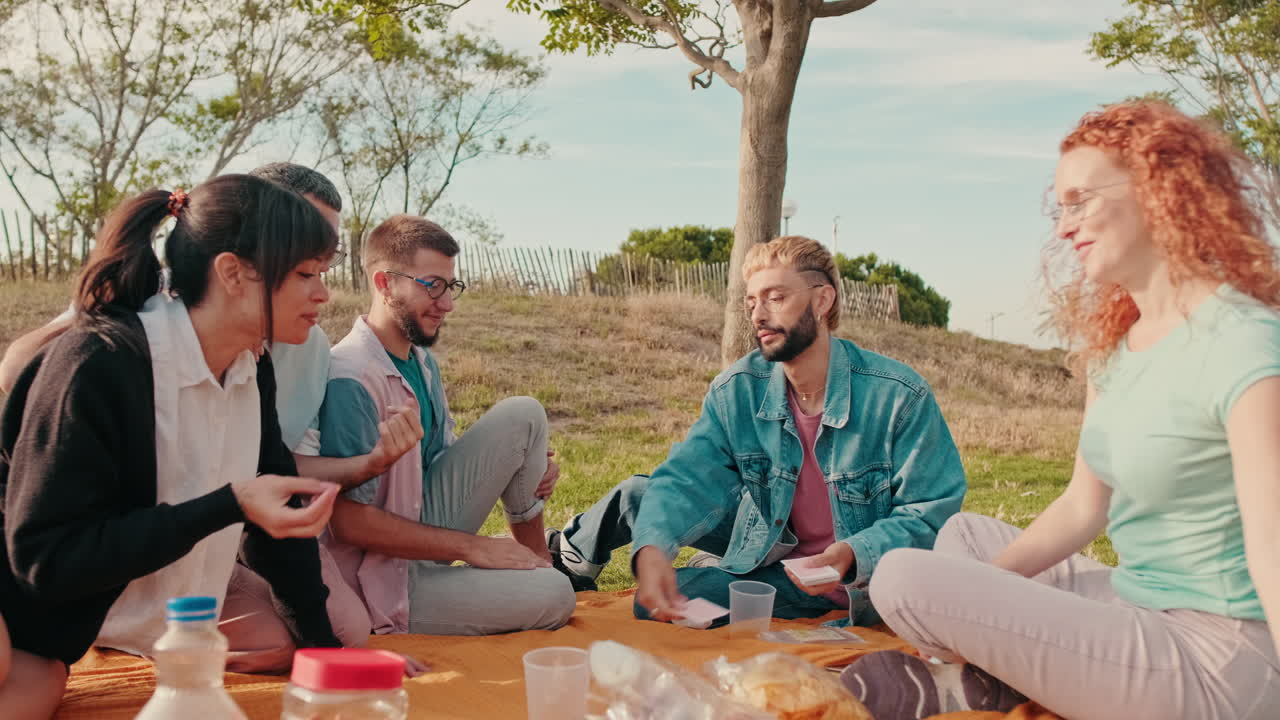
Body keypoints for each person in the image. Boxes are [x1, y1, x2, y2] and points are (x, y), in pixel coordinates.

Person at [843, 101, 1280, 720]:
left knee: (901, 577)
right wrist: (980, 601)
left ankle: (984, 681)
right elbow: (1082, 507)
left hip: (1218, 655)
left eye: (1081, 201)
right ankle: (1008, 675)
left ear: (1160, 188)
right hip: (1131, 606)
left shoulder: (1246, 343)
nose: (1064, 226)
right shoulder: (1117, 347)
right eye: (1060, 207)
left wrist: (963, 605)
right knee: (963, 536)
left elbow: (1274, 546)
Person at [0, 163, 423, 672]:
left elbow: (278, 525)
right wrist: (229, 504)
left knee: (34, 683)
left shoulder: (248, 363)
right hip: (28, 597)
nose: (323, 295)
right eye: (305, 275)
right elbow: (48, 561)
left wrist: (324, 657)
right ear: (232, 273)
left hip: (58, 622)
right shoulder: (99, 362)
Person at [548, 235, 965, 627]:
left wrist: (856, 552)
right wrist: (653, 548)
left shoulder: (897, 395)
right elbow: (689, 475)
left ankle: (721, 570)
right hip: (768, 533)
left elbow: (931, 512)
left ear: (822, 300)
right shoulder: (738, 388)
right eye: (751, 302)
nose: (758, 315)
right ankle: (589, 558)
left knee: (672, 604)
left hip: (843, 580)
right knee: (645, 531)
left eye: (776, 298)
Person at [317, 214, 576, 637]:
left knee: (523, 414)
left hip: (421, 529)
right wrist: (474, 548)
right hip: (377, 581)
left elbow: (438, 464)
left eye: (450, 286)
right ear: (384, 284)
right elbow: (347, 523)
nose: (447, 303)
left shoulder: (422, 362)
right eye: (431, 285)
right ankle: (537, 579)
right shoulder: (349, 378)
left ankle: (537, 559)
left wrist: (522, 466)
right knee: (556, 595)